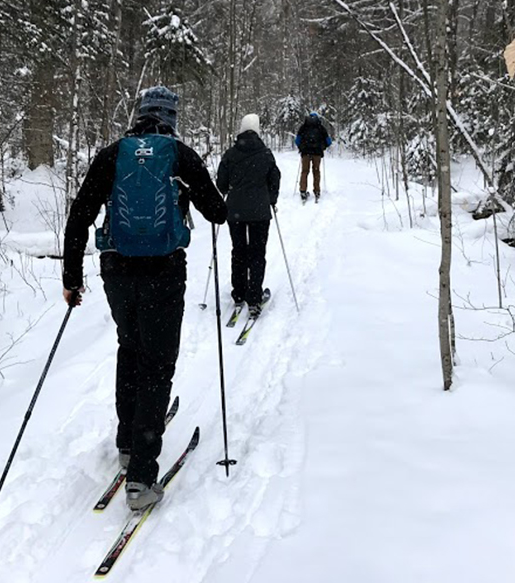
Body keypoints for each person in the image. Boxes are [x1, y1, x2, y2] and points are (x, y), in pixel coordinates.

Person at [62, 86, 227, 510]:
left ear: (138, 116)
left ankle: (126, 443)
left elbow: (80, 214)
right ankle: (141, 479)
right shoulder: (178, 154)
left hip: (117, 270)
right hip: (164, 271)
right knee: (157, 364)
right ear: (171, 118)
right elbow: (217, 212)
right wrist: (189, 193)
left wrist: (71, 278)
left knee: (130, 350)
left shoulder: (112, 154)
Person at [216, 114, 281, 316]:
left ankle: (239, 293)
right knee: (257, 253)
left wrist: (230, 189)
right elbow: (275, 179)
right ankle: (254, 297)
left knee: (239, 251)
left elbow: (221, 184)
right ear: (258, 131)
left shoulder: (230, 154)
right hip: (260, 212)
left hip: (234, 211)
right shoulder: (266, 154)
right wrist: (271, 199)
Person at [294, 112, 332, 203]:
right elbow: (329, 141)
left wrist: (302, 147)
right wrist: (322, 147)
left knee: (304, 171)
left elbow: (297, 140)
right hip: (317, 153)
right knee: (316, 171)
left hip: (305, 153)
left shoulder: (303, 127)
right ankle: (317, 190)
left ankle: (303, 190)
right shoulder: (321, 128)